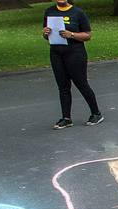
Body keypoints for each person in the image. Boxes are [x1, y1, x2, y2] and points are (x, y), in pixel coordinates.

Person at [41, 0, 103, 130]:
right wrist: (45, 33)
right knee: (63, 86)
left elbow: (87, 35)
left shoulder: (78, 12)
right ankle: (66, 118)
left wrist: (72, 34)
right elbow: (47, 35)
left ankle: (96, 113)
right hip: (56, 53)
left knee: (81, 83)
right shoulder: (49, 12)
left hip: (75, 53)